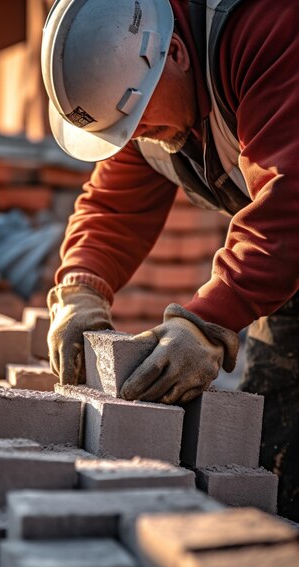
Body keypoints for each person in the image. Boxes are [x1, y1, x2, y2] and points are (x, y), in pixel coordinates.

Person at [40, 0, 299, 521]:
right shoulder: (145, 91)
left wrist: (210, 319)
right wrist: (79, 290)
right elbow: (114, 205)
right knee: (272, 455)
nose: (132, 140)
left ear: (175, 52)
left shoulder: (266, 28)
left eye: (135, 123)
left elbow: (290, 195)